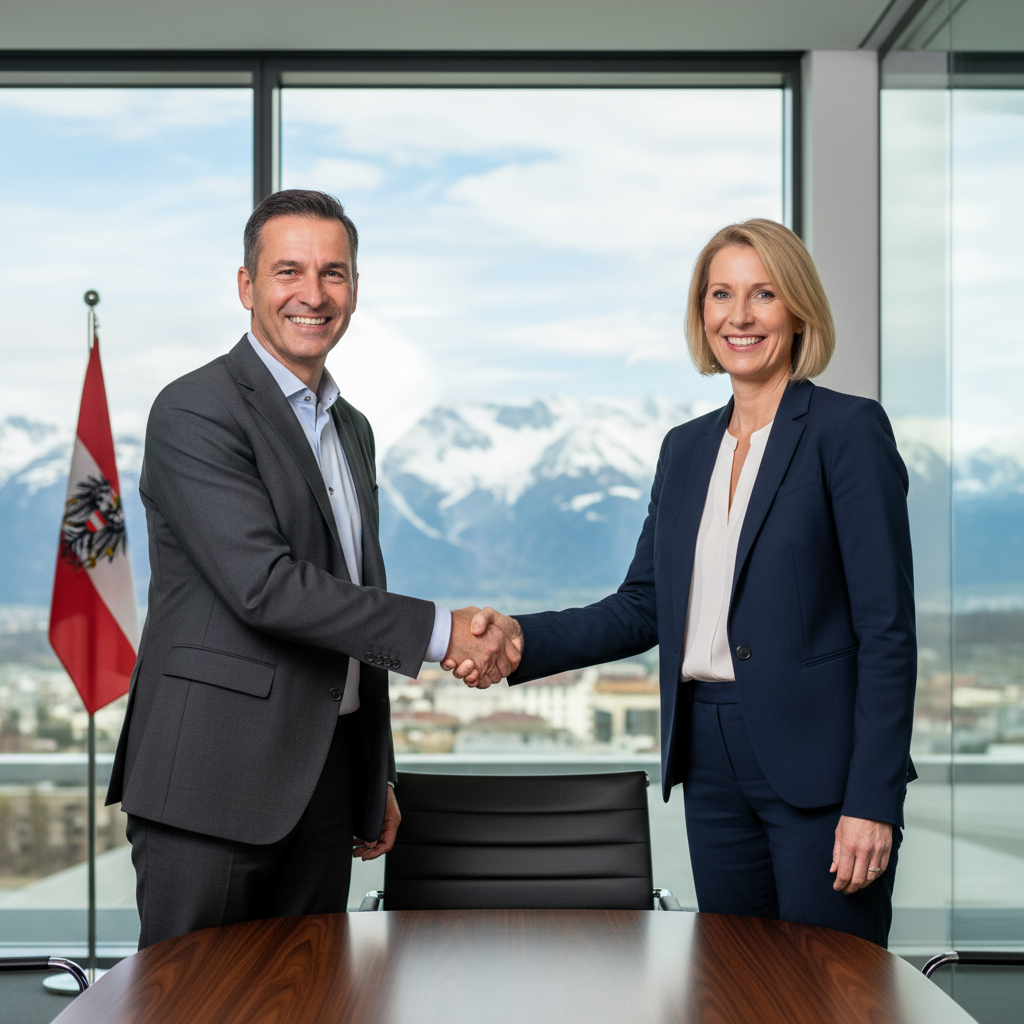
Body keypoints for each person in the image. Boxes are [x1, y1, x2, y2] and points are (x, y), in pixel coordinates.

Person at [455, 219, 916, 947]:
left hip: (819, 767)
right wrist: (519, 638)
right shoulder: (686, 449)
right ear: (701, 313)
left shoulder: (846, 432)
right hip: (708, 755)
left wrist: (873, 800)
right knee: (736, 983)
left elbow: (886, 632)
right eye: (720, 294)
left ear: (797, 309)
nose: (740, 316)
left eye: (763, 294)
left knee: (831, 989)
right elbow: (643, 607)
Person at [107, 189, 520, 948]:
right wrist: (444, 629)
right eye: (288, 270)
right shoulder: (195, 409)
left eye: (334, 273)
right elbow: (264, 588)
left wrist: (374, 775)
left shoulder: (352, 428)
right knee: (190, 1008)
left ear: (355, 289)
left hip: (323, 786)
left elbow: (353, 602)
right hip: (211, 784)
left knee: (311, 1000)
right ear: (246, 286)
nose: (313, 293)